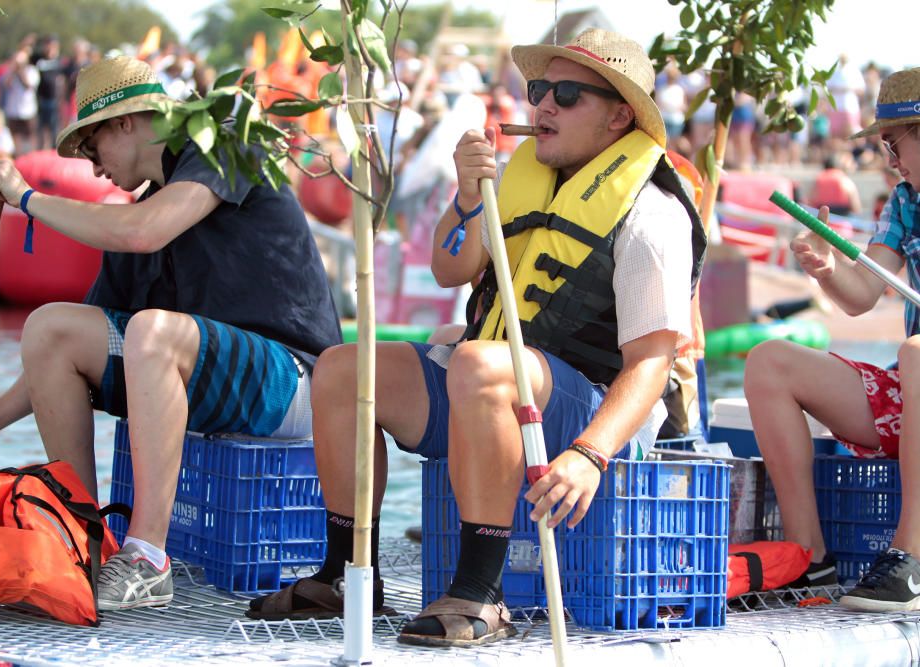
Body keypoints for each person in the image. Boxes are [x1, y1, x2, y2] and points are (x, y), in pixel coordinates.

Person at [245, 27, 705, 646]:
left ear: (621, 115)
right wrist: (466, 197)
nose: (542, 105)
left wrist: (590, 454)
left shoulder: (652, 213)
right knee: (342, 367)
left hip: (596, 412)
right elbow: (449, 269)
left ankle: (483, 592)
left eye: (567, 95)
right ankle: (346, 572)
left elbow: (651, 364)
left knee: (481, 365)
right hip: (487, 381)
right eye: (539, 89)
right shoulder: (516, 179)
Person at [0, 56, 342, 611]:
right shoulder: (140, 209)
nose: (95, 169)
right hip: (214, 376)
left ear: (125, 123)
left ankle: (147, 557)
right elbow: (67, 355)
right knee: (53, 327)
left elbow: (145, 234)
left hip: (301, 383)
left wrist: (28, 198)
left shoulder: (226, 150)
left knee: (150, 332)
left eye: (93, 149)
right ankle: (83, 540)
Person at [744, 67, 920, 611]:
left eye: (894, 143)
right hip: (915, 388)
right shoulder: (905, 201)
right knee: (768, 361)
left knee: (914, 353)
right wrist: (826, 269)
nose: (888, 158)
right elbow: (862, 294)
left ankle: (911, 556)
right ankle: (808, 557)